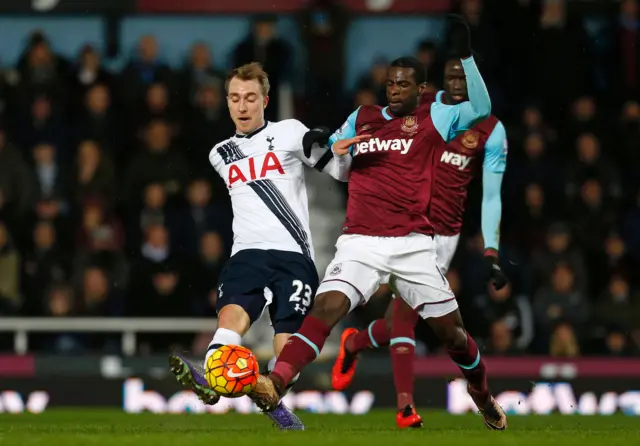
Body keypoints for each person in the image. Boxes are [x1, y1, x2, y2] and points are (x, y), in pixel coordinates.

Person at [249, 17, 508, 431]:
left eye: (404, 84)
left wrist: (465, 55)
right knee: (326, 307)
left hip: (412, 243)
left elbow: (481, 109)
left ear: (420, 90)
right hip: (360, 240)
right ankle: (276, 383)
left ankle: (481, 392)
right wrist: (329, 147)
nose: (395, 89)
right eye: (391, 82)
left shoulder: (435, 118)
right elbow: (333, 163)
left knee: (453, 337)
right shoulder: (363, 116)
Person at [168, 62, 367, 430]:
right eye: (234, 99)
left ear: (265, 100)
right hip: (246, 253)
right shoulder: (220, 153)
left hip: (293, 256)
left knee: (287, 349)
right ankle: (216, 378)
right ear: (227, 103)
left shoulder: (289, 131)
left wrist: (330, 147)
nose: (242, 107)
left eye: (250, 98)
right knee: (229, 323)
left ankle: (249, 390)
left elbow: (335, 169)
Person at [330, 55, 509, 429]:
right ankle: (405, 406)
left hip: (447, 237)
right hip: (408, 231)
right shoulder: (421, 114)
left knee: (406, 321)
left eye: (464, 76)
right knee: (406, 320)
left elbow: (491, 195)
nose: (458, 83)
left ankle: (355, 344)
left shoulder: (491, 130)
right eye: (451, 77)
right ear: (437, 83)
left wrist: (491, 251)